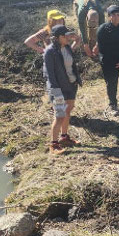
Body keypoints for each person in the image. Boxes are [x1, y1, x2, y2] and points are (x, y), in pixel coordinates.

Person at [43, 25, 83, 155]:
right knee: (59, 115)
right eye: (65, 36)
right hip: (58, 88)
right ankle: (53, 145)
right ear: (57, 38)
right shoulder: (49, 52)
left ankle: (64, 138)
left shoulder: (66, 47)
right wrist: (56, 91)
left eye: (68, 35)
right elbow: (50, 74)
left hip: (71, 85)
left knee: (68, 110)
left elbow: (71, 64)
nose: (68, 37)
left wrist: (77, 39)